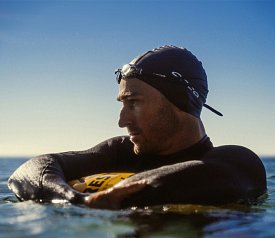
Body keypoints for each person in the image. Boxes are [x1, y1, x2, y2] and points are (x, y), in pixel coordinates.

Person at [8, 45, 266, 209]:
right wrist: (76, 199)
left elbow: (203, 179)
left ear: (180, 102)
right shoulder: (120, 152)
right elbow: (27, 172)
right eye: (122, 103)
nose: (122, 121)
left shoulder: (238, 162)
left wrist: (118, 195)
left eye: (134, 103)